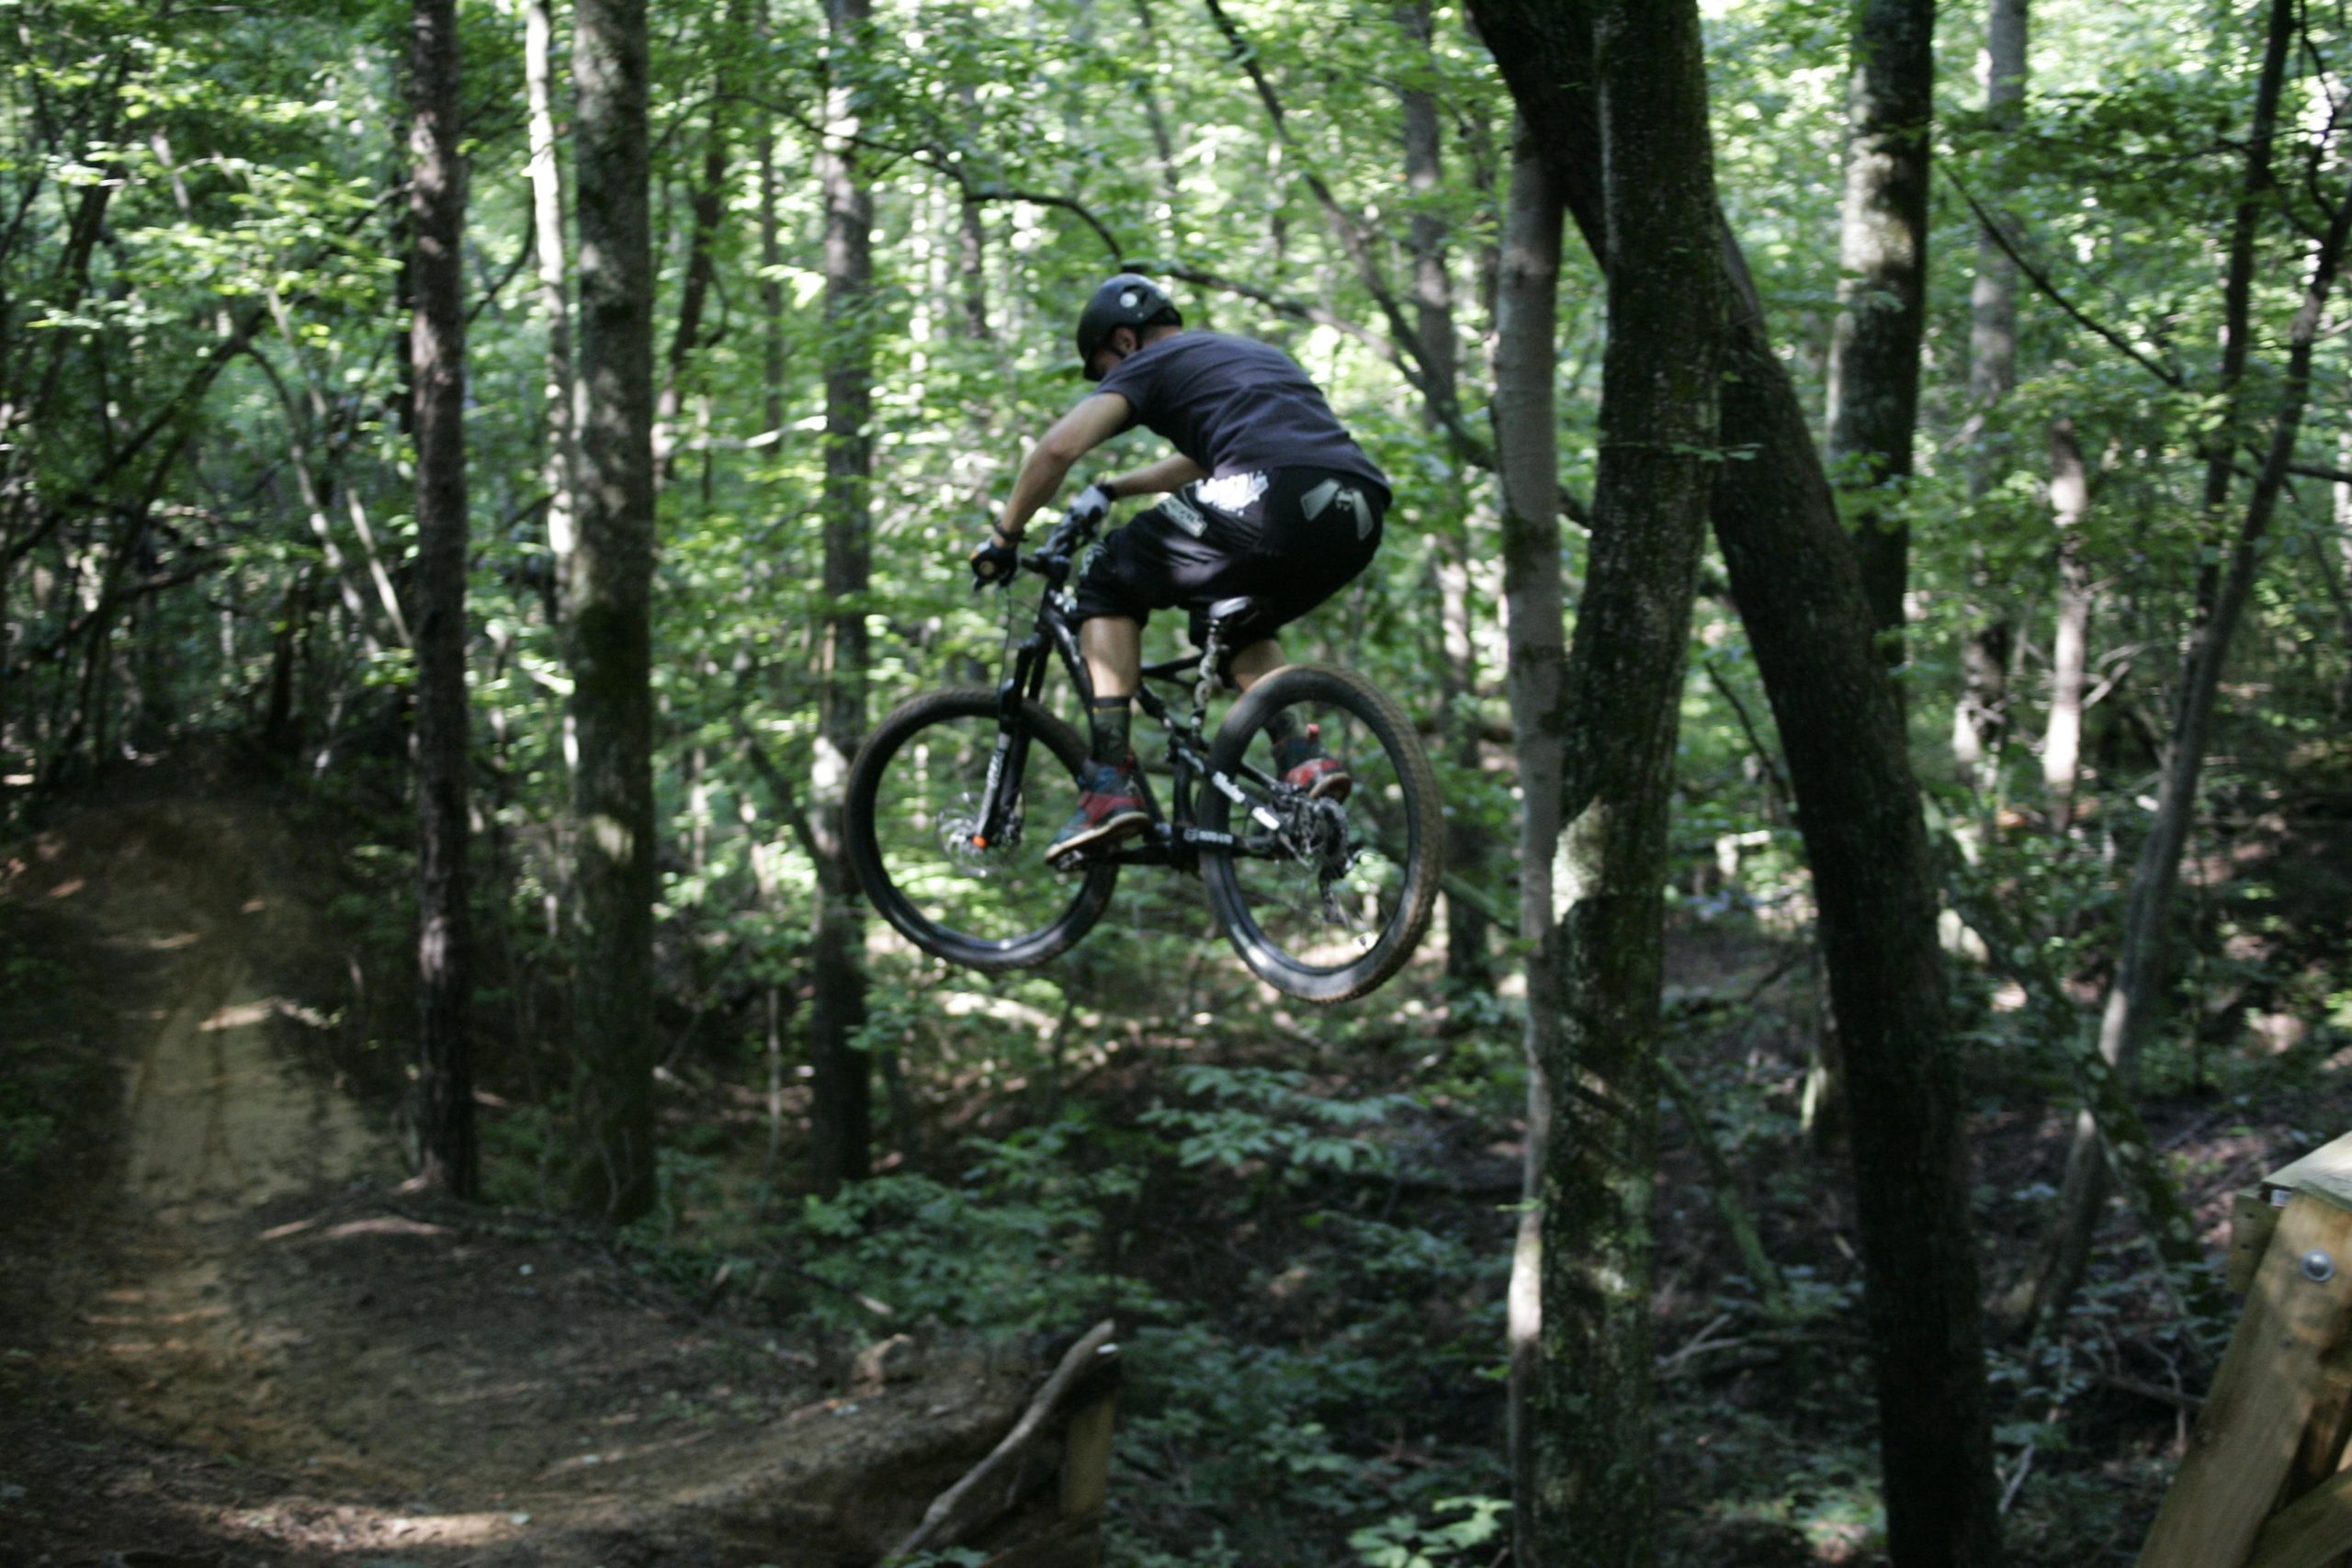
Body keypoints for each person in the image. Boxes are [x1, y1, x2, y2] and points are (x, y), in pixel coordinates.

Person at [969, 273, 1391, 867]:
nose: (1112, 381)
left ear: (1125, 339)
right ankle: (1301, 757)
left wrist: (1004, 536)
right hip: (1358, 509)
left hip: (1266, 492)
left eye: (1106, 369)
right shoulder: (1246, 354)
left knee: (1106, 576)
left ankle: (1110, 784)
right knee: (1235, 620)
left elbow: (1057, 448)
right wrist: (1114, 486)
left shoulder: (1153, 360)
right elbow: (1202, 458)